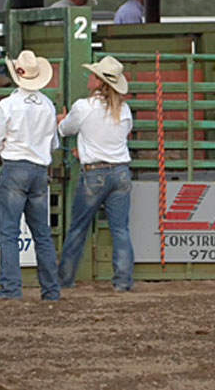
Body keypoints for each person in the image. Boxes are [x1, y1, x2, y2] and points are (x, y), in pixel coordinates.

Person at [57, 55, 135, 291]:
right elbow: (120, 137)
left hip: (94, 173)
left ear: (99, 81)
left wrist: (61, 119)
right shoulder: (124, 109)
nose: (89, 76)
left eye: (93, 74)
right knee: (120, 228)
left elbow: (64, 129)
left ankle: (65, 279)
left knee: (78, 227)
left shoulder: (83, 107)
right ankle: (122, 281)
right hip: (120, 171)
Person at [0, 50, 60, 300]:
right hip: (40, 169)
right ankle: (50, 289)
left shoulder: (7, 105)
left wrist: (3, 147)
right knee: (41, 233)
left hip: (14, 166)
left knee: (9, 232)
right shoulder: (48, 105)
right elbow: (54, 144)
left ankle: (10, 289)